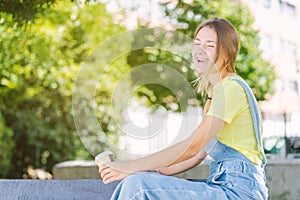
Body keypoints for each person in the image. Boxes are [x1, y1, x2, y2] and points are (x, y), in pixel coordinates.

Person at [99, 17, 269, 199]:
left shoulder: (230, 89)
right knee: (139, 181)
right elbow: (195, 157)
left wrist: (131, 167)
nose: (200, 51)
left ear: (227, 52)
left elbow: (193, 147)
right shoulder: (217, 95)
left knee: (139, 187)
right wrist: (143, 172)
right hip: (226, 186)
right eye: (197, 44)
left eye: (209, 46)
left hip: (239, 192)